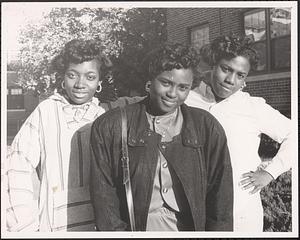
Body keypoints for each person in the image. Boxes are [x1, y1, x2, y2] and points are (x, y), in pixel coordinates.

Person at [90, 43, 234, 231]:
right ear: (150, 82)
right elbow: (104, 198)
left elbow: (220, 199)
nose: (173, 94)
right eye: (165, 83)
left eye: (183, 87)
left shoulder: (206, 127)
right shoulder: (111, 126)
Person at [185, 34, 292, 232]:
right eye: (226, 69)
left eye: (240, 75)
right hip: (193, 211)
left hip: (241, 211)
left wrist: (270, 172)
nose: (230, 80)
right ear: (213, 65)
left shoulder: (252, 107)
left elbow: (293, 135)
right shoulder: (186, 101)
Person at [5, 39, 113, 231]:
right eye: (73, 75)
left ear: (99, 82)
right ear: (63, 77)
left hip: (97, 221)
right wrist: (25, 221)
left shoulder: (103, 117)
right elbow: (17, 165)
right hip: (55, 220)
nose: (80, 84)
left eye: (90, 77)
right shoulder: (46, 112)